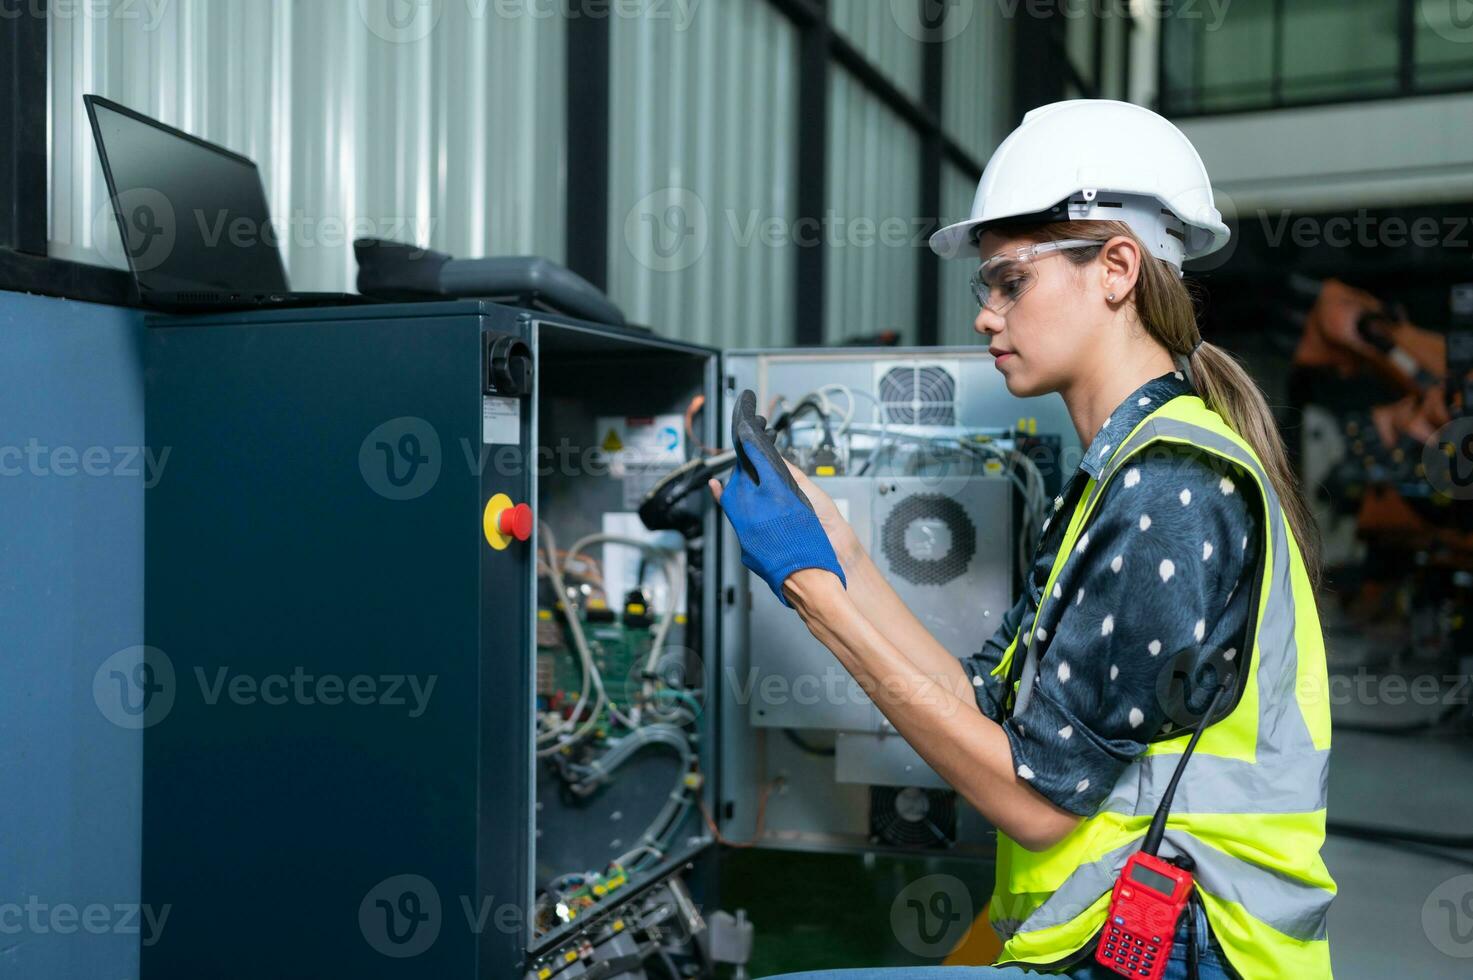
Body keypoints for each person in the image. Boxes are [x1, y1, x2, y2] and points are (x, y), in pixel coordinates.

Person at [710, 100, 1335, 980]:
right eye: (987, 288)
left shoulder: (1170, 489)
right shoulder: (1116, 476)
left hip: (1189, 956)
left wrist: (812, 596)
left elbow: (1039, 805)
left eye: (1012, 282)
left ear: (1116, 267)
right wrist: (837, 548)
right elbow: (976, 701)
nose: (985, 316)